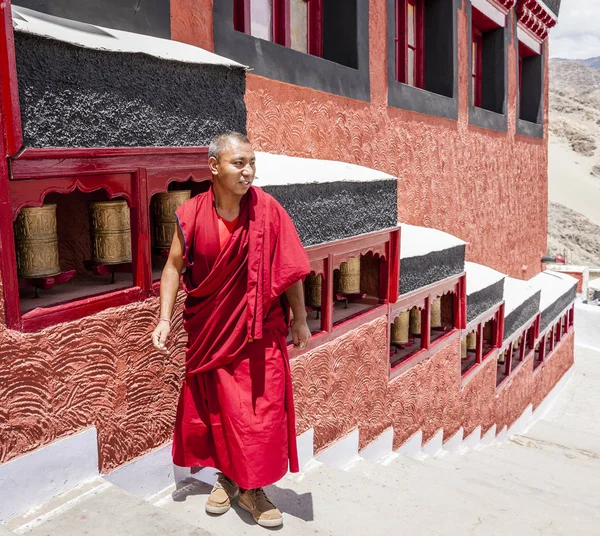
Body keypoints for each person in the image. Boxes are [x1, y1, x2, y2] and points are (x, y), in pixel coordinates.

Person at [151, 132, 311, 528]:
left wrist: (302, 319)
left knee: (261, 414)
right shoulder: (190, 214)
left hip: (259, 332)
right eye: (239, 163)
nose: (248, 171)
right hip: (212, 331)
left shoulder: (269, 211)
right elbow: (173, 267)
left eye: (252, 163)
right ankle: (228, 478)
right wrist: (164, 318)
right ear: (213, 167)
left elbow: (290, 270)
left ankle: (253, 488)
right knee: (218, 412)